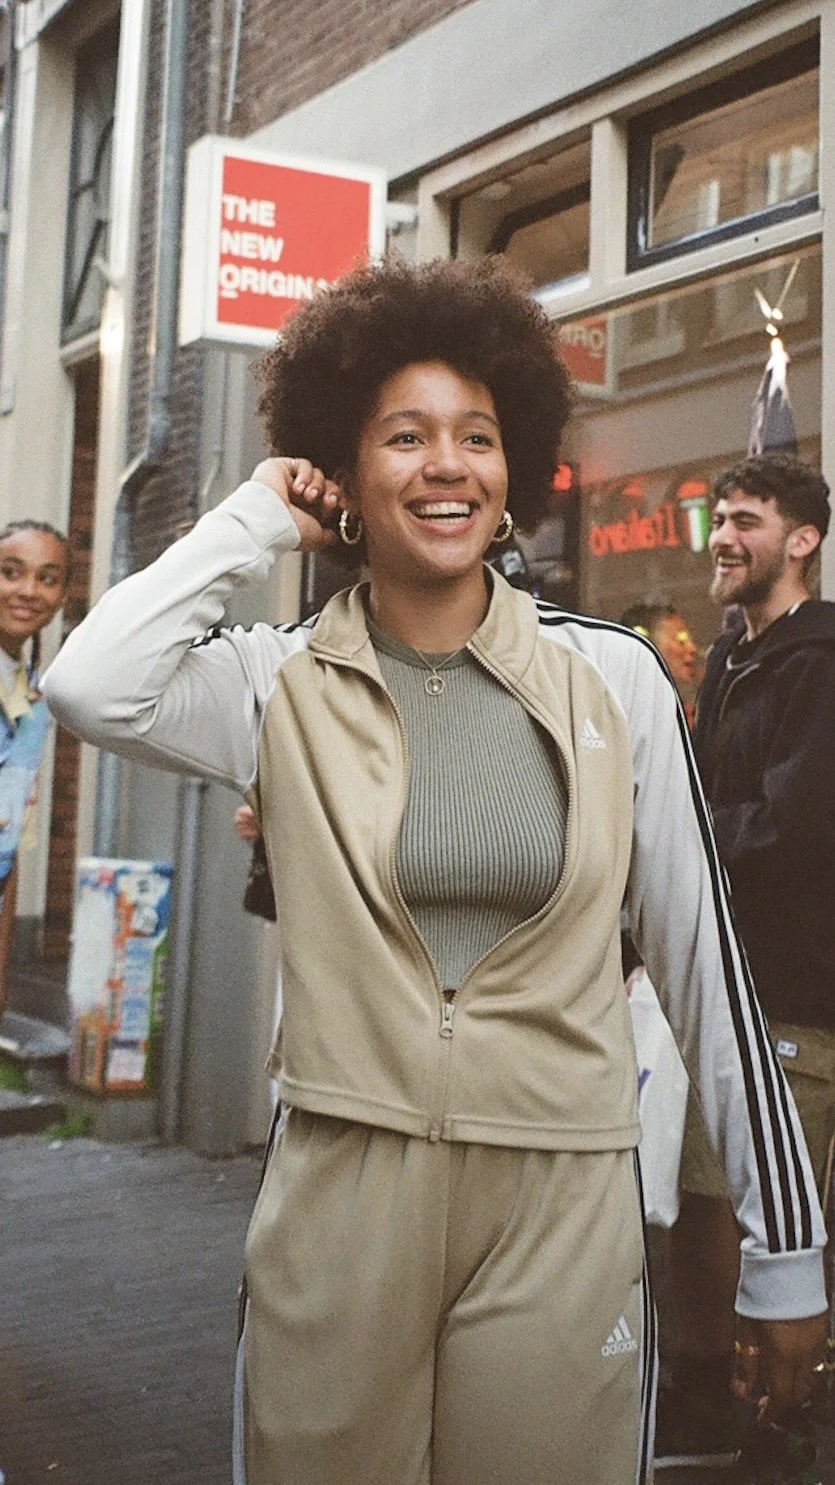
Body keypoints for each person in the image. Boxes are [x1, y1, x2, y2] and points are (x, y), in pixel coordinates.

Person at [42, 259, 827, 1485]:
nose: (445, 465)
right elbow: (88, 680)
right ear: (343, 473)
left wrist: (788, 1252)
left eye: (476, 435)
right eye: (401, 438)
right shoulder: (274, 681)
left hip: (562, 1205)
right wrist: (254, 516)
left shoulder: (612, 680)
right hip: (339, 1198)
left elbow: (703, 968)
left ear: (516, 464)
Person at [660, 452, 834, 1481]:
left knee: (753, 1211)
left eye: (744, 520)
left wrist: (684, 835)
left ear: (799, 540)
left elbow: (797, 825)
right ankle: (728, 1407)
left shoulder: (823, 660)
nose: (722, 536)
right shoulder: (732, 656)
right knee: (710, 1202)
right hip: (723, 985)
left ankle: (768, 1424)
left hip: (796, 994)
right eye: (718, 518)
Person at [0, 520, 70, 1015]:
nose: (28, 591)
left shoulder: (35, 695)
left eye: (48, 578)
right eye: (11, 572)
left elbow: (11, 845)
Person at [619, 602, 700, 727]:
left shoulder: (691, 717)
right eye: (680, 639)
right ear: (646, 644)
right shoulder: (621, 717)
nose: (692, 648)